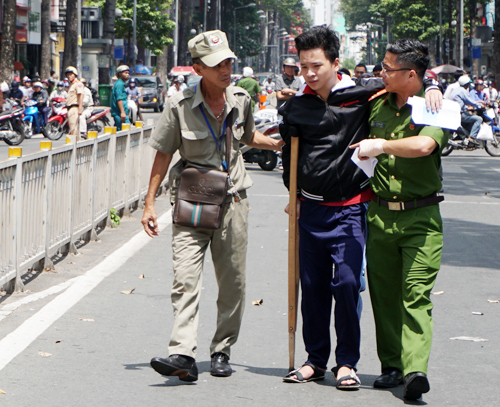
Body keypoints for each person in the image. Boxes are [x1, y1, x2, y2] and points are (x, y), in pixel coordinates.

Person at [279, 25, 441, 390]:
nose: (309, 73)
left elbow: (408, 82)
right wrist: (294, 197)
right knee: (313, 285)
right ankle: (314, 360)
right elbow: (290, 156)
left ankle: (347, 362)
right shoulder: (296, 106)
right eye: (303, 66)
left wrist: (433, 86)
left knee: (349, 283)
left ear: (336, 63)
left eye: (316, 65)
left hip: (351, 209)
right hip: (311, 211)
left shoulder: (364, 94)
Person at [142, 29, 283, 383]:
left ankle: (221, 349)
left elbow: (249, 137)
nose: (225, 69)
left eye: (228, 62)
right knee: (185, 279)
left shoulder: (240, 100)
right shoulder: (178, 106)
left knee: (232, 282)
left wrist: (280, 146)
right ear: (197, 69)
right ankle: (183, 353)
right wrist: (148, 203)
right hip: (191, 203)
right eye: (216, 64)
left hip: (233, 202)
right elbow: (163, 154)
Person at [350, 38, 448, 401]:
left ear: (411, 75)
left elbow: (424, 146)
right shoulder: (377, 103)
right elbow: (341, 93)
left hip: (422, 218)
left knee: (415, 295)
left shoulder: (435, 106)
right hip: (379, 217)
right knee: (385, 295)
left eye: (388, 69)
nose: (381, 73)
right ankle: (392, 365)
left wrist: (381, 145)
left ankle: (415, 369)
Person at [448, 75, 484, 145]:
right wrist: (479, 105)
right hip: (459, 114)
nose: (469, 85)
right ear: (466, 84)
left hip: (456, 112)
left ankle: (465, 135)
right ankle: (471, 138)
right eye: (468, 84)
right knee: (479, 119)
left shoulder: (457, 90)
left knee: (470, 115)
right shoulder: (463, 91)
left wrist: (466, 108)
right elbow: (470, 101)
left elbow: (460, 103)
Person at [65, 66, 84, 141]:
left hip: (74, 108)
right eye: (68, 75)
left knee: (74, 129)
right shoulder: (71, 85)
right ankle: (78, 146)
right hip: (70, 108)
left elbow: (81, 96)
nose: (69, 76)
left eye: (71, 74)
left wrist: (80, 109)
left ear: (75, 75)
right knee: (74, 128)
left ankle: (75, 148)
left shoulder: (78, 84)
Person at [111, 65, 130, 130]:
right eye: (125, 73)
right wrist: (122, 112)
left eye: (128, 73)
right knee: (125, 130)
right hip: (119, 113)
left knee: (119, 130)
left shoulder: (121, 83)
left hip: (120, 113)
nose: (127, 75)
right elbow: (119, 99)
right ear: (120, 74)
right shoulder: (119, 84)